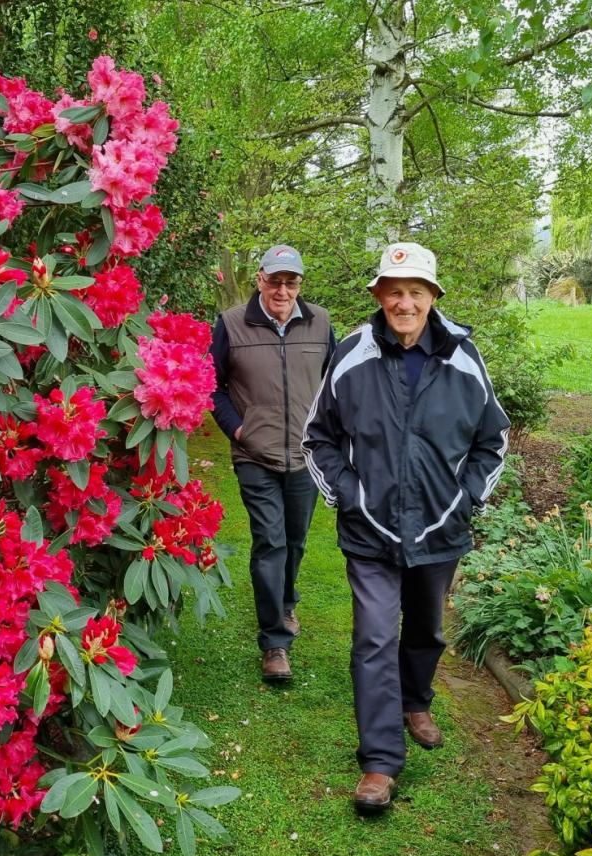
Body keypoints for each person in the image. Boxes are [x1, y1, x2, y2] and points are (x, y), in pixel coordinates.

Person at [301, 242, 509, 814]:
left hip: (441, 527)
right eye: (394, 291)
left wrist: (468, 498)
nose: (405, 302)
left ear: (434, 297)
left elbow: (493, 440)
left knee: (426, 629)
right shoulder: (350, 355)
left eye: (416, 291)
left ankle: (417, 699)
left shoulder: (465, 359)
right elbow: (317, 436)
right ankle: (379, 762)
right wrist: (346, 493)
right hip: (370, 530)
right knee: (372, 637)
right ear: (378, 297)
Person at [210, 244, 336, 684]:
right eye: (275, 280)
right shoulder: (231, 324)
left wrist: (327, 435)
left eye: (292, 281)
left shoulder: (320, 322)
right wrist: (238, 430)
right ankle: (274, 642)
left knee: (296, 540)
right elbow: (213, 386)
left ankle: (285, 602)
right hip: (255, 454)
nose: (283, 289)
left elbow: (334, 383)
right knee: (270, 541)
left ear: (300, 283)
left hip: (305, 456)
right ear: (259, 279)